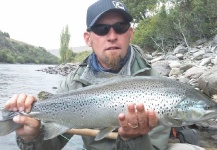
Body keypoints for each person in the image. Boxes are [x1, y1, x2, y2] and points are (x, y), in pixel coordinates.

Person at [4, 0, 205, 150]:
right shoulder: (72, 84)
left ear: (130, 34)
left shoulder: (157, 87)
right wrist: (30, 136)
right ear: (88, 38)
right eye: (101, 29)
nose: (111, 35)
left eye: (120, 27)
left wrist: (131, 139)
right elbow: (54, 144)